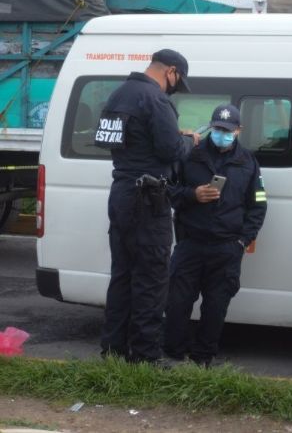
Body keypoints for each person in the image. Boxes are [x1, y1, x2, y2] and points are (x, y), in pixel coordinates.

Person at [95, 49, 195, 364]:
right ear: (172, 72)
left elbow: (123, 141)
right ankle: (145, 359)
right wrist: (190, 140)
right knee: (151, 280)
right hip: (149, 199)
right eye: (177, 83)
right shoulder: (155, 99)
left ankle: (113, 352)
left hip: (122, 193)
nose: (173, 89)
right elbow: (170, 151)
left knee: (122, 276)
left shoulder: (118, 96)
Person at [163, 104, 267, 366]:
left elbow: (259, 203)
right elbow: (169, 192)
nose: (223, 134)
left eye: (228, 130)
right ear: (211, 127)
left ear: (239, 130)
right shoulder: (190, 155)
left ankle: (203, 358)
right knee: (177, 303)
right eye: (219, 129)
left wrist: (243, 240)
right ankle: (173, 355)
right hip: (191, 243)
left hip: (226, 247)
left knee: (216, 307)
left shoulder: (248, 162)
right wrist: (192, 195)